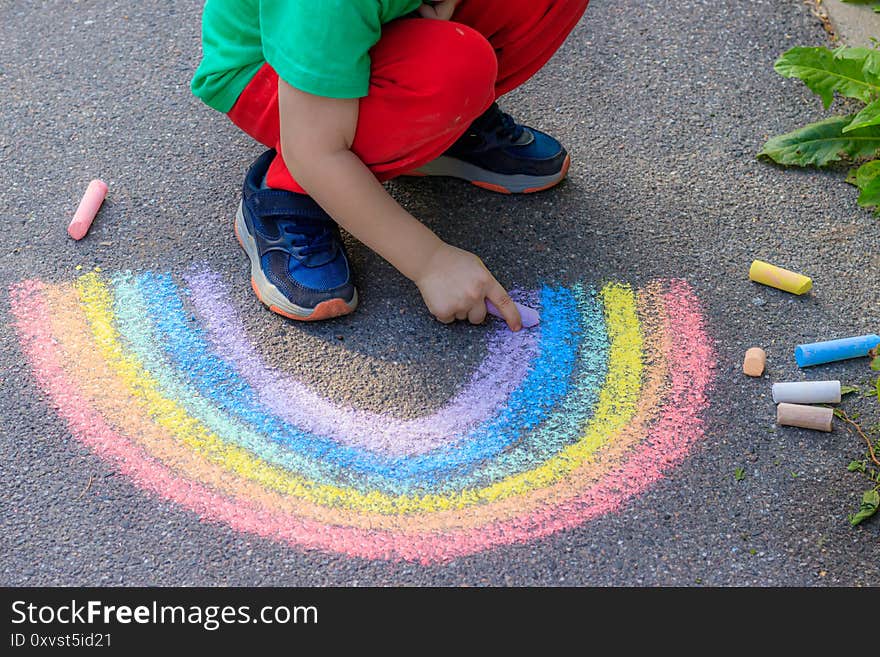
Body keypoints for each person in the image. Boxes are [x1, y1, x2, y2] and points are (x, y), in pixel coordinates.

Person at [191, 0, 590, 330]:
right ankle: (289, 189)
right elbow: (314, 152)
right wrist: (430, 262)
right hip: (271, 72)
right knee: (454, 67)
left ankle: (438, 129)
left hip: (360, 27)